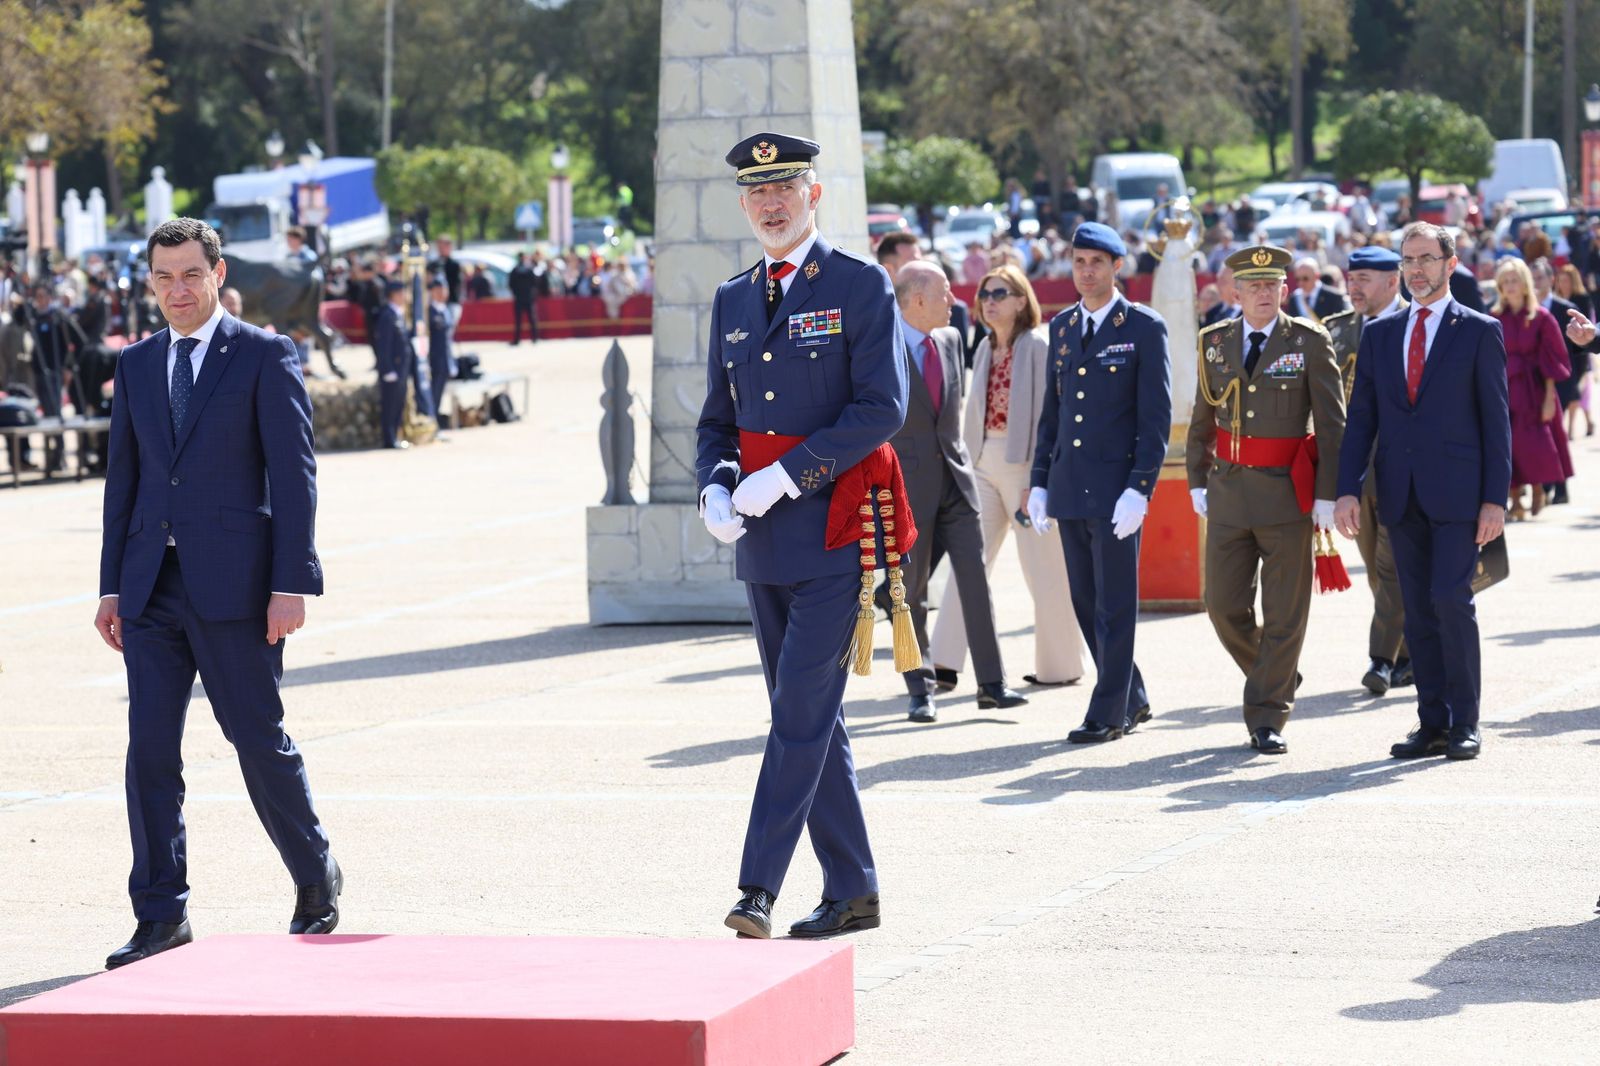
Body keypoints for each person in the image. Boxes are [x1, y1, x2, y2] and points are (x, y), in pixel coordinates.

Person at [92, 217, 339, 969]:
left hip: (238, 588)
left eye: (190, 275)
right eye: (163, 277)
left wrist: (292, 581)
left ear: (218, 273)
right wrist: (110, 587)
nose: (177, 291)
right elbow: (124, 483)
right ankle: (162, 914)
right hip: (150, 590)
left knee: (257, 743)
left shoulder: (264, 355)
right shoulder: (136, 365)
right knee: (149, 757)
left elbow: (294, 476)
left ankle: (313, 875)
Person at [695, 132, 904, 941]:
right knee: (813, 718)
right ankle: (853, 888)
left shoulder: (856, 286)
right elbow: (718, 419)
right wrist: (714, 484)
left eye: (786, 186)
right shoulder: (733, 298)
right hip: (760, 543)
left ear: (813, 194)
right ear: (743, 204)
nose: (772, 203)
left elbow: (881, 406)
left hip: (831, 534)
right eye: (758, 192)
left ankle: (757, 889)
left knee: (797, 718)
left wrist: (788, 475)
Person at [1334, 222, 1511, 762]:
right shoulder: (1381, 335)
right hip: (1399, 494)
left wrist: (1495, 499)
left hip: (1460, 496)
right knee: (1416, 609)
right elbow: (1360, 419)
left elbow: (1496, 421)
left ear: (1450, 264)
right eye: (1408, 260)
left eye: (1426, 259)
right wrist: (1346, 490)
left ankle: (1465, 721)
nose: (1416, 269)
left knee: (1451, 601)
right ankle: (1430, 720)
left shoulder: (1479, 330)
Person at [1187, 246, 1345, 754]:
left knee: (1284, 614)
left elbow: (1332, 426)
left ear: (1285, 289)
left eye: (1270, 285)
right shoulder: (1215, 342)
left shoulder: (1309, 341)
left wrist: (1327, 495)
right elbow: (1202, 419)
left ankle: (1267, 714)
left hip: (1286, 495)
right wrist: (1195, 479)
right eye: (1252, 285)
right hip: (1229, 492)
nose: (1261, 294)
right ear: (1235, 290)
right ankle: (1277, 675)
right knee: (1223, 607)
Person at [1026, 222, 1172, 743]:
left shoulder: (1143, 327)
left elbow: (1155, 418)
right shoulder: (1063, 328)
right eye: (1079, 261)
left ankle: (1107, 712)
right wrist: (1039, 480)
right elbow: (1054, 414)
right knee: (1086, 602)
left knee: (1115, 603)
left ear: (1117, 267)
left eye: (1097, 262)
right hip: (1068, 485)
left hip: (1116, 492)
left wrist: (1141, 487)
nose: (1086, 271)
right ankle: (1131, 694)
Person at [930, 264, 1087, 691]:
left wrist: (1036, 480)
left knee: (1045, 570)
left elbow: (1046, 414)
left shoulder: (1038, 345)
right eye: (984, 294)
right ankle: (944, 661)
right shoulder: (982, 347)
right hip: (980, 463)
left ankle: (1061, 665)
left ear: (1022, 300)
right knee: (969, 560)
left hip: (1027, 468)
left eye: (999, 292)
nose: (989, 301)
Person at [889, 259, 1026, 723]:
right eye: (946, 293)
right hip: (907, 490)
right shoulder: (876, 350)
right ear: (918, 299)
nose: (956, 301)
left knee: (974, 581)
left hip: (957, 482)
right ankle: (919, 689)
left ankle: (992, 684)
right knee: (910, 594)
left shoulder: (949, 339)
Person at [1321, 246, 1411, 695]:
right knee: (1377, 571)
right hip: (1354, 470)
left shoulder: (1416, 325)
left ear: (1393, 282)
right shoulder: (1334, 331)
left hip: (1403, 466)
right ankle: (1410, 654)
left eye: (1366, 280)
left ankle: (1381, 658)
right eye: (1350, 279)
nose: (1354, 287)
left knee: (1391, 567)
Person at [1492, 257, 1571, 520]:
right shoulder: (1494, 318)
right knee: (1507, 445)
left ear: (1525, 283)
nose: (1510, 286)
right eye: (1505, 282)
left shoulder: (1541, 317)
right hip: (1504, 391)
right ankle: (1514, 498)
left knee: (1534, 444)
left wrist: (1550, 397)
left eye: (1514, 280)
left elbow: (1553, 357)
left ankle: (1538, 488)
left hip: (1533, 390)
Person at [1529, 257, 1590, 504]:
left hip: (1562, 384)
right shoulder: (1525, 309)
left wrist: (1577, 382)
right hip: (1532, 385)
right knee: (1539, 437)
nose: (1536, 283)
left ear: (1551, 280)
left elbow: (1579, 349)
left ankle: (1559, 486)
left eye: (1540, 278)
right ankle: (1544, 485)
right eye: (1532, 279)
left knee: (1554, 435)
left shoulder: (1565, 309)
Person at [1554, 262, 1595, 439]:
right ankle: (1572, 427)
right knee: (1574, 393)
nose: (1563, 284)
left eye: (1566, 280)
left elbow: (1588, 327)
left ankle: (1572, 428)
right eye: (1561, 280)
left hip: (1580, 352)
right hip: (1563, 352)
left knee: (1579, 392)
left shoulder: (1581, 299)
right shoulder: (1557, 301)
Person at [372, 277, 413, 450]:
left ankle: (395, 436)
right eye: (401, 292)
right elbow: (384, 345)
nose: (404, 295)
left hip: (401, 369)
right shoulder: (387, 315)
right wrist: (387, 368)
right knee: (390, 405)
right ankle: (389, 438)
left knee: (399, 403)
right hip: (392, 369)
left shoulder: (398, 313)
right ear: (393, 295)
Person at [426, 276, 455, 427]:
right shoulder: (429, 312)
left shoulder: (446, 310)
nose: (442, 293)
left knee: (440, 394)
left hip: (445, 359)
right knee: (433, 395)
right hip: (434, 360)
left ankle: (435, 422)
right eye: (438, 290)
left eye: (444, 289)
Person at [1287, 256, 1350, 321]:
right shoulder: (1294, 298)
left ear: (1317, 276)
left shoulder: (1335, 297)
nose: (1301, 283)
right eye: (1297, 279)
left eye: (1305, 278)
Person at [508, 252, 540, 345]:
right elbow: (535, 283)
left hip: (520, 298)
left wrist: (516, 293)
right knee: (531, 319)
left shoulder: (515, 270)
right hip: (528, 298)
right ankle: (534, 338)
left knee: (520, 320)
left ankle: (518, 340)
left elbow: (511, 284)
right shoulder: (529, 270)